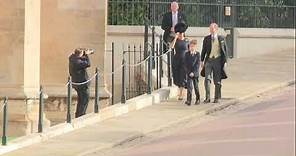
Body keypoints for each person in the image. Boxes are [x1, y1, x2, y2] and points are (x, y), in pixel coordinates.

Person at [201, 23, 228, 103]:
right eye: (210, 28)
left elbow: (225, 51)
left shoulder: (221, 38)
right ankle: (207, 97)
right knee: (207, 79)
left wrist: (225, 62)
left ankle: (217, 97)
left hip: (218, 60)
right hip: (209, 60)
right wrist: (201, 60)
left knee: (217, 80)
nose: (211, 30)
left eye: (212, 28)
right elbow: (204, 50)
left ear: (216, 29)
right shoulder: (206, 39)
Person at [69, 48, 91, 118]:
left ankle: (78, 114)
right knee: (84, 100)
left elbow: (76, 57)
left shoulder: (72, 59)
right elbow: (88, 64)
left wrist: (83, 54)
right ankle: (81, 115)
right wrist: (87, 55)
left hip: (78, 83)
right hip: (82, 84)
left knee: (81, 100)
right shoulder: (77, 62)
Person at [171, 22, 189, 100]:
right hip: (176, 60)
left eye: (182, 33)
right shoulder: (176, 41)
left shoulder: (187, 41)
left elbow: (189, 50)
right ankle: (180, 91)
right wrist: (175, 37)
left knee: (182, 76)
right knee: (177, 76)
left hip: (184, 61)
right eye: (180, 33)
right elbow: (171, 47)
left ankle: (181, 94)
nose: (181, 35)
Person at [184, 40, 200, 106]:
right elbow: (185, 64)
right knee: (189, 87)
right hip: (189, 73)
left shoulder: (197, 54)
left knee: (196, 87)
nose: (191, 48)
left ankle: (197, 99)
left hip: (195, 73)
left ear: (195, 47)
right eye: (190, 46)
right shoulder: (187, 54)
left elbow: (197, 64)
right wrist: (189, 72)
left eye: (193, 46)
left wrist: (193, 72)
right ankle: (189, 100)